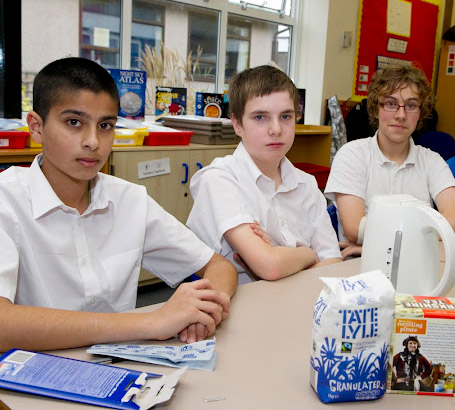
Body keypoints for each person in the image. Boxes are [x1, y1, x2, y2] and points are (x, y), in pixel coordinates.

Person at [0, 57, 237, 352]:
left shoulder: (130, 200)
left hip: (118, 367)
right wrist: (153, 322)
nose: (92, 142)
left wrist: (205, 310)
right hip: (31, 379)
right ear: (36, 127)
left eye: (105, 125)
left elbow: (218, 267)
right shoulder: (5, 202)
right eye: (74, 122)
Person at [187, 65, 341, 284]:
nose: (276, 129)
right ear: (237, 124)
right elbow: (269, 266)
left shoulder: (306, 184)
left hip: (298, 300)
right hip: (239, 306)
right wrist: (308, 254)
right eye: (260, 117)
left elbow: (333, 263)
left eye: (286, 116)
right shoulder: (219, 179)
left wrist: (281, 256)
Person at [324, 65, 455, 259]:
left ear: (420, 112)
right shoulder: (352, 155)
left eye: (410, 105)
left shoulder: (432, 161)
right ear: (376, 109)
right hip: (360, 265)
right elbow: (354, 229)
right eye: (391, 104)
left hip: (416, 261)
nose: (401, 115)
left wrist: (383, 243)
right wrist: (426, 231)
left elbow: (452, 221)